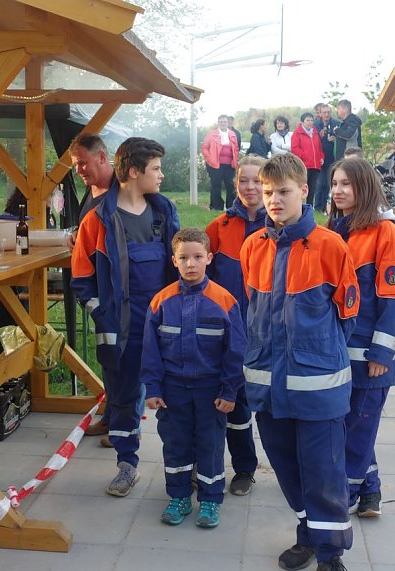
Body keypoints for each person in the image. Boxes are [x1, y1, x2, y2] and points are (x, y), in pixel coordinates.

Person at [240, 153, 359, 571]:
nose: (273, 200)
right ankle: (308, 534)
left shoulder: (330, 245)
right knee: (287, 470)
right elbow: (251, 311)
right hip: (267, 386)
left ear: (304, 191)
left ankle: (330, 556)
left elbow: (347, 315)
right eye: (268, 192)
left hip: (317, 390)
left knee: (325, 474)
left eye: (283, 192)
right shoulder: (252, 246)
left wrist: (314, 356)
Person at [72, 137, 180, 497]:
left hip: (166, 328)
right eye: (155, 169)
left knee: (176, 396)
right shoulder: (97, 221)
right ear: (133, 172)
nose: (161, 175)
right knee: (121, 398)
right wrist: (102, 315)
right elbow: (81, 281)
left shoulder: (165, 214)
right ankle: (126, 465)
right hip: (122, 330)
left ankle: (185, 467)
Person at [141, 227, 246, 529]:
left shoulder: (224, 301)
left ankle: (211, 500)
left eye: (197, 257)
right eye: (183, 257)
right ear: (173, 260)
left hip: (210, 391)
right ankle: (179, 496)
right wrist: (153, 387)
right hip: (173, 391)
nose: (191, 264)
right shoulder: (160, 302)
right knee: (176, 444)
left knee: (210, 445)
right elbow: (150, 351)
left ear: (209, 258)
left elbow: (235, 351)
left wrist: (229, 391)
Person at [328, 158, 395, 518]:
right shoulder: (337, 229)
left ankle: (343, 497)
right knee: (357, 424)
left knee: (358, 428)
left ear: (365, 188)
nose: (338, 191)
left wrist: (381, 352)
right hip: (343, 353)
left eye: (346, 184)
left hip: (373, 357)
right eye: (334, 184)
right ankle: (371, 491)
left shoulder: (386, 233)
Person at [205, 155, 266, 497]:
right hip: (230, 333)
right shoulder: (219, 228)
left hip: (271, 334)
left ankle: (296, 468)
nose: (251, 187)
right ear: (235, 184)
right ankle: (244, 467)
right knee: (235, 403)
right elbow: (201, 279)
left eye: (257, 181)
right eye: (244, 180)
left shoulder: (281, 226)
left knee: (275, 407)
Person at [68, 133, 116, 440]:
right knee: (109, 361)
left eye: (83, 163)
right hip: (94, 292)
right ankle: (111, 415)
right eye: (75, 166)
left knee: (124, 363)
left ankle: (125, 425)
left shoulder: (120, 193)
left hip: (114, 292)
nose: (79, 171)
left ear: (102, 157)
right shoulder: (91, 191)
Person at [201, 115, 239, 210]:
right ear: (218, 123)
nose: (223, 123)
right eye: (221, 121)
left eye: (225, 121)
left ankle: (231, 207)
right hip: (215, 165)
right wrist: (210, 159)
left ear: (227, 123)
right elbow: (204, 148)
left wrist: (235, 160)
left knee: (231, 186)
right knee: (216, 185)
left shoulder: (232, 134)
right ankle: (217, 207)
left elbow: (236, 148)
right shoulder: (211, 134)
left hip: (230, 165)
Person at [291, 112, 324, 207]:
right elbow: (295, 148)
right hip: (304, 165)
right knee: (301, 187)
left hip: (315, 165)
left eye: (311, 120)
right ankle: (298, 206)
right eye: (308, 120)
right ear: (302, 122)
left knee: (312, 188)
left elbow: (319, 148)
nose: (310, 122)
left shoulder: (315, 132)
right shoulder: (297, 133)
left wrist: (321, 157)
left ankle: (309, 207)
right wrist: (305, 156)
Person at [314, 103, 340, 213]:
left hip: (332, 158)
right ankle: (318, 207)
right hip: (319, 158)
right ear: (320, 113)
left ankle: (326, 207)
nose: (326, 114)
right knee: (320, 183)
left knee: (329, 183)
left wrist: (335, 138)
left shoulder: (337, 123)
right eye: (324, 112)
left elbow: (342, 137)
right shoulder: (315, 124)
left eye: (328, 112)